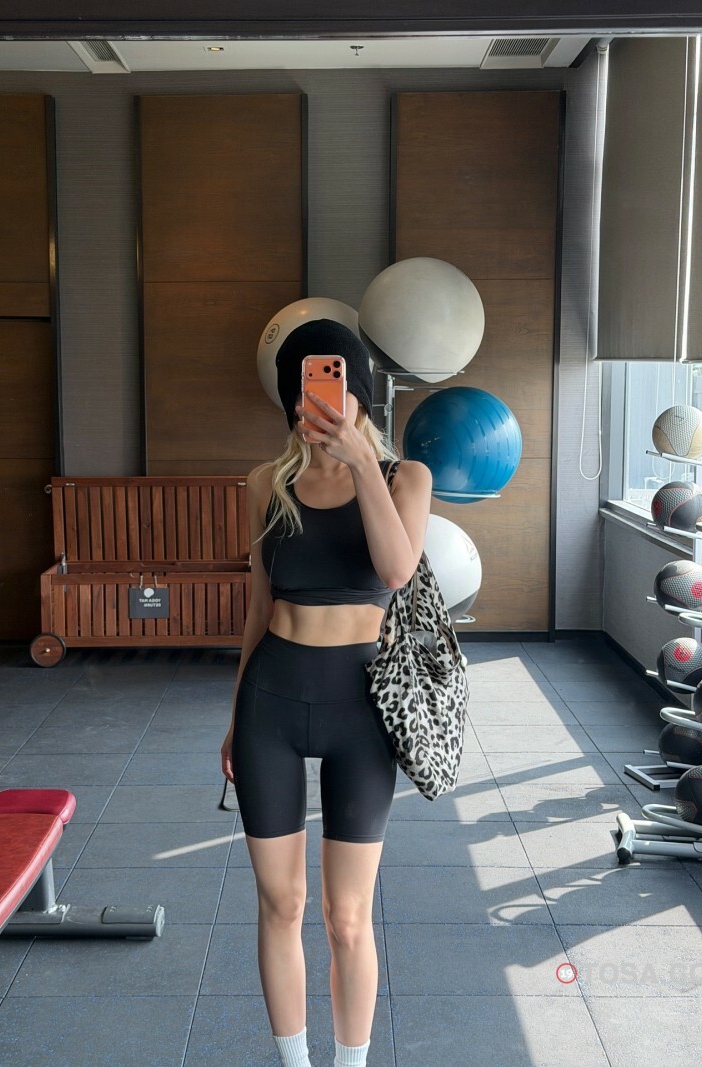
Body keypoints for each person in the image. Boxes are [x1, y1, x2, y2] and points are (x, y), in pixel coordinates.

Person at [221, 319, 432, 1067]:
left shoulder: (406, 478)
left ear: (360, 395)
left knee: (347, 916)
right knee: (282, 903)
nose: (323, 402)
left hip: (361, 708)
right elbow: (258, 607)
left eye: (338, 387)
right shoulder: (264, 483)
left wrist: (362, 464)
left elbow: (397, 569)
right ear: (292, 398)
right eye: (308, 388)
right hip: (272, 701)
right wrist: (235, 714)